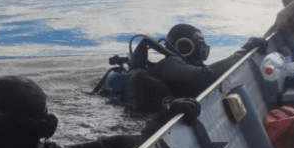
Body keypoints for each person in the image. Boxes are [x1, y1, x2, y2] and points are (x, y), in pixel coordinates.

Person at [99, 24, 267, 113]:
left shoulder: (172, 67)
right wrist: (243, 51)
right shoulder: (170, 65)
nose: (203, 55)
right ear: (185, 46)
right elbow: (206, 78)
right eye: (201, 48)